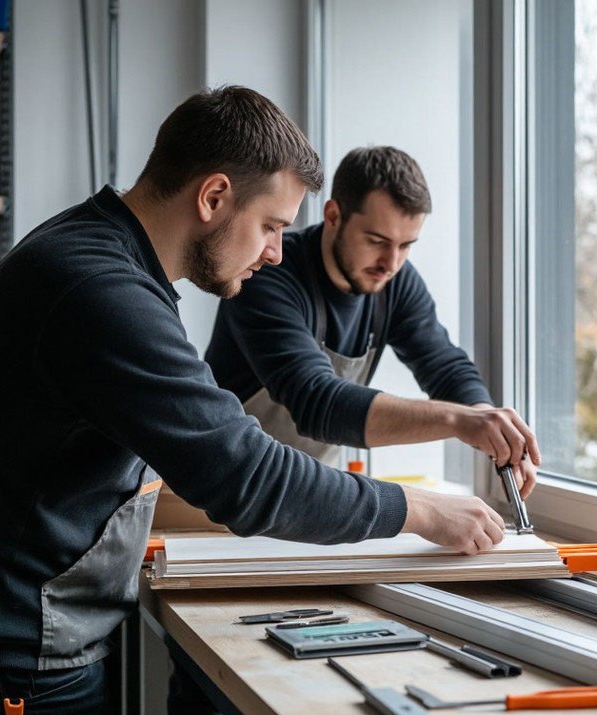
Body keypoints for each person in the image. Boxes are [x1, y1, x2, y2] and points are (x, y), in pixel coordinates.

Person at [0, 86, 506, 715]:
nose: (273, 251)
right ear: (212, 198)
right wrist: (424, 511)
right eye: (269, 226)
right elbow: (245, 476)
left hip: (12, 632)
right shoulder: (102, 291)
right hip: (3, 651)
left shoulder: (97, 253)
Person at [205, 146, 541, 493]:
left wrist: (490, 423)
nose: (391, 263)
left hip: (303, 492)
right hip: (221, 491)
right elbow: (317, 402)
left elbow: (444, 365)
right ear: (333, 215)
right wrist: (459, 420)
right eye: (377, 241)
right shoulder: (267, 275)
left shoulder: (395, 282)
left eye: (406, 245)